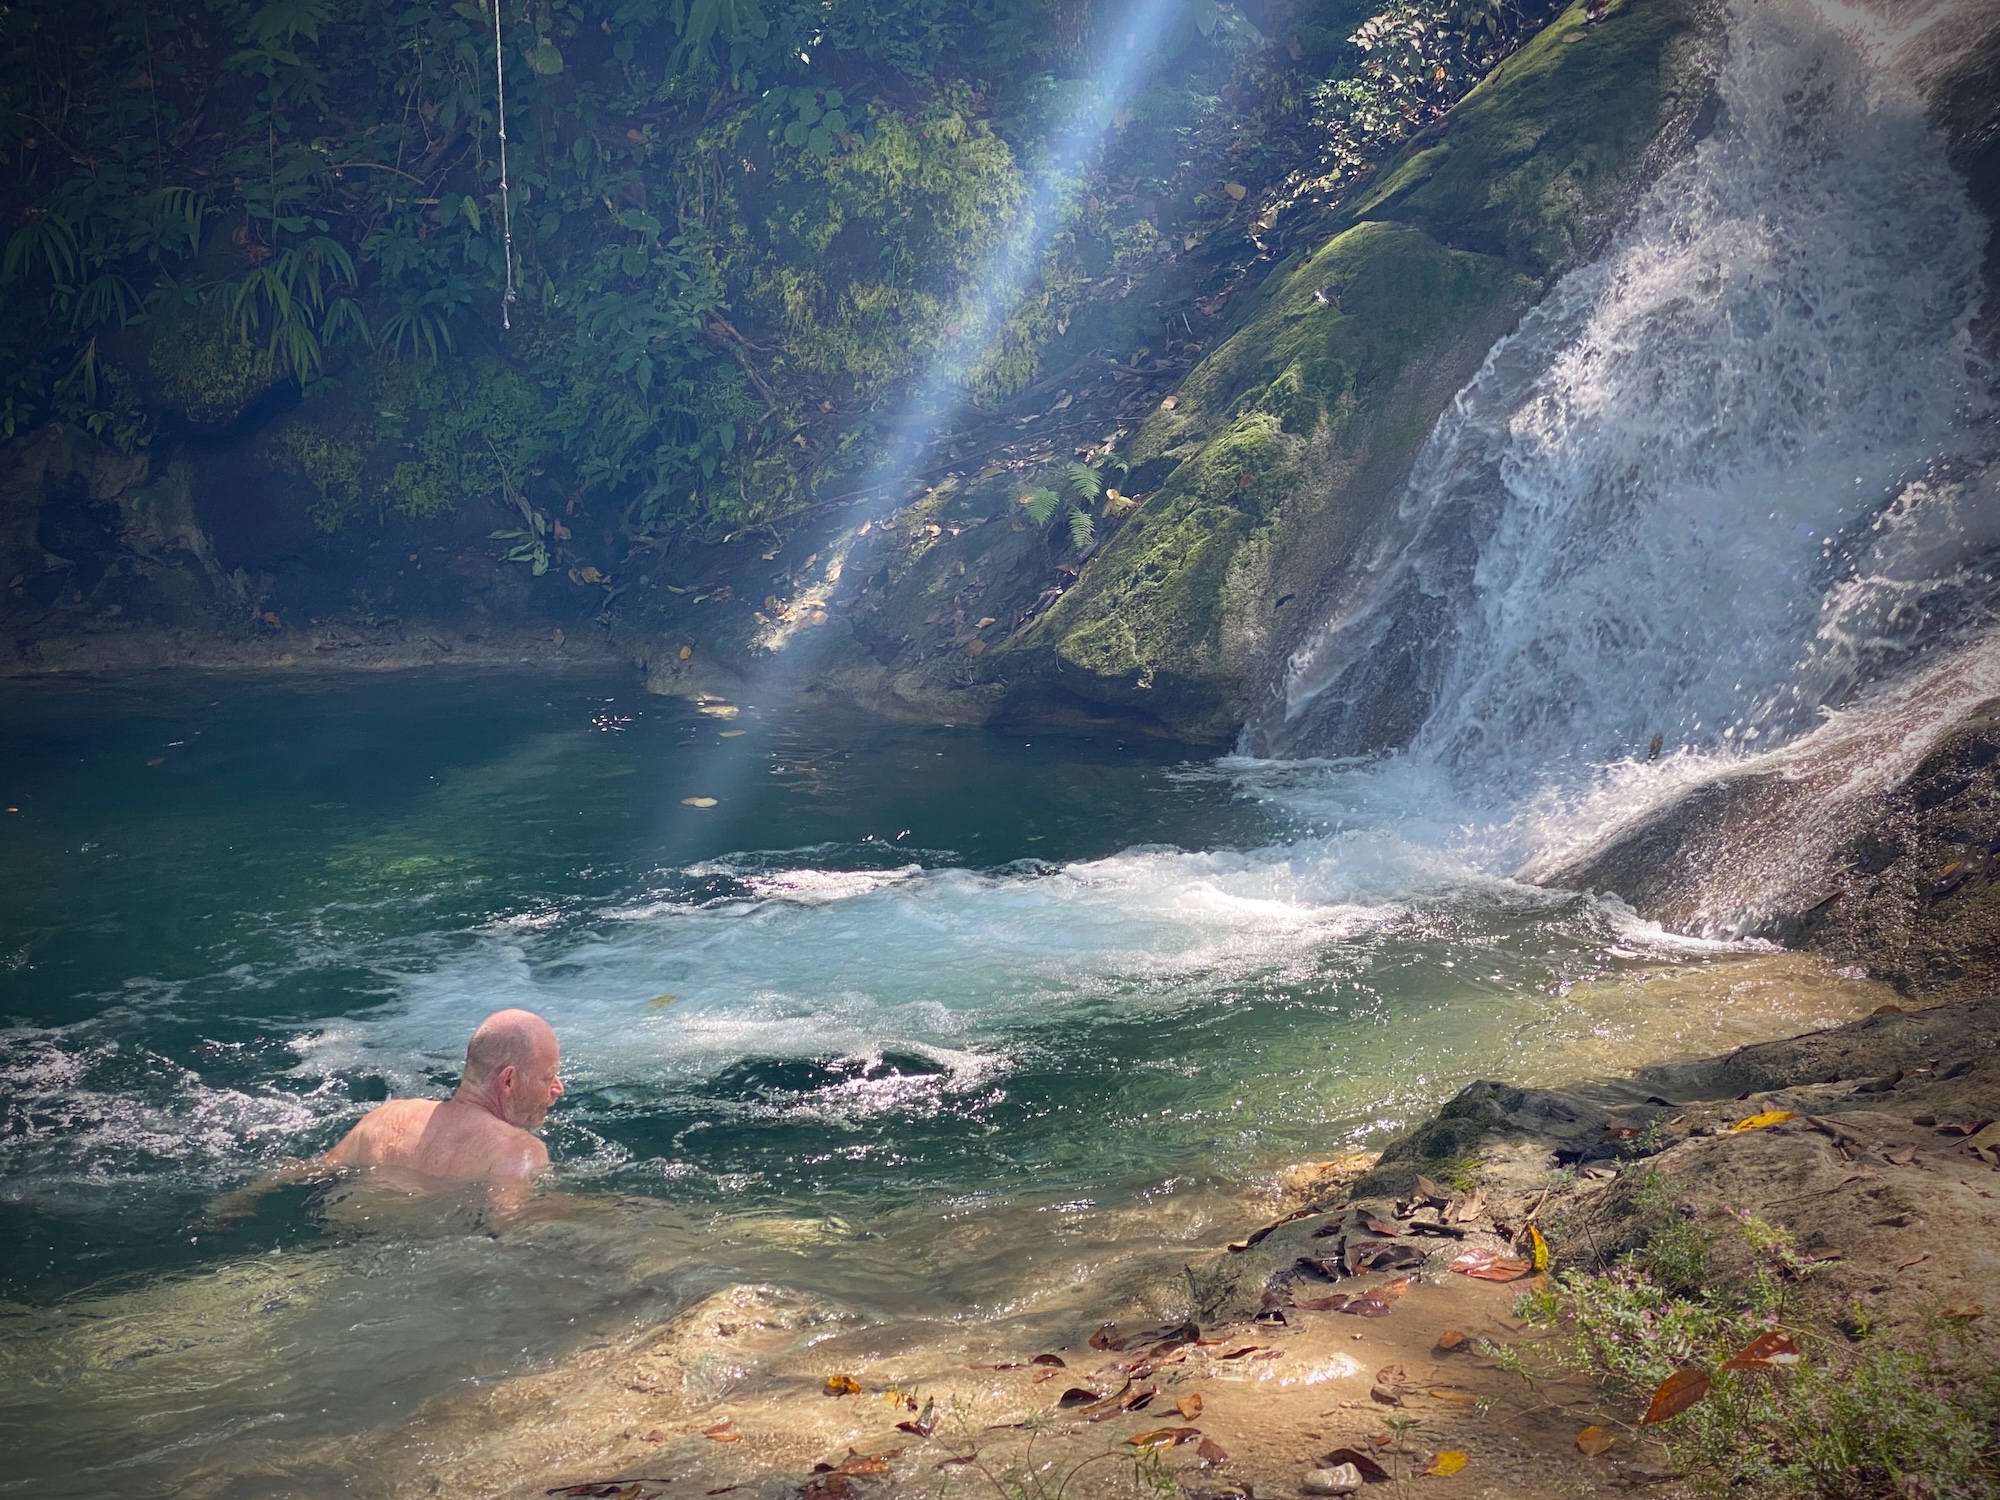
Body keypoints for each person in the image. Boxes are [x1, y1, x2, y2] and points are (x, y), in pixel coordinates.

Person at [212, 1008, 564, 1225]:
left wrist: (238, 1199)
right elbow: (511, 1223)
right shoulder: (517, 1150)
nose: (558, 1088)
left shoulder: (387, 1117)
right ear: (508, 1080)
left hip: (349, 1242)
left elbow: (312, 1171)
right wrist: (591, 1211)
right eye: (548, 1076)